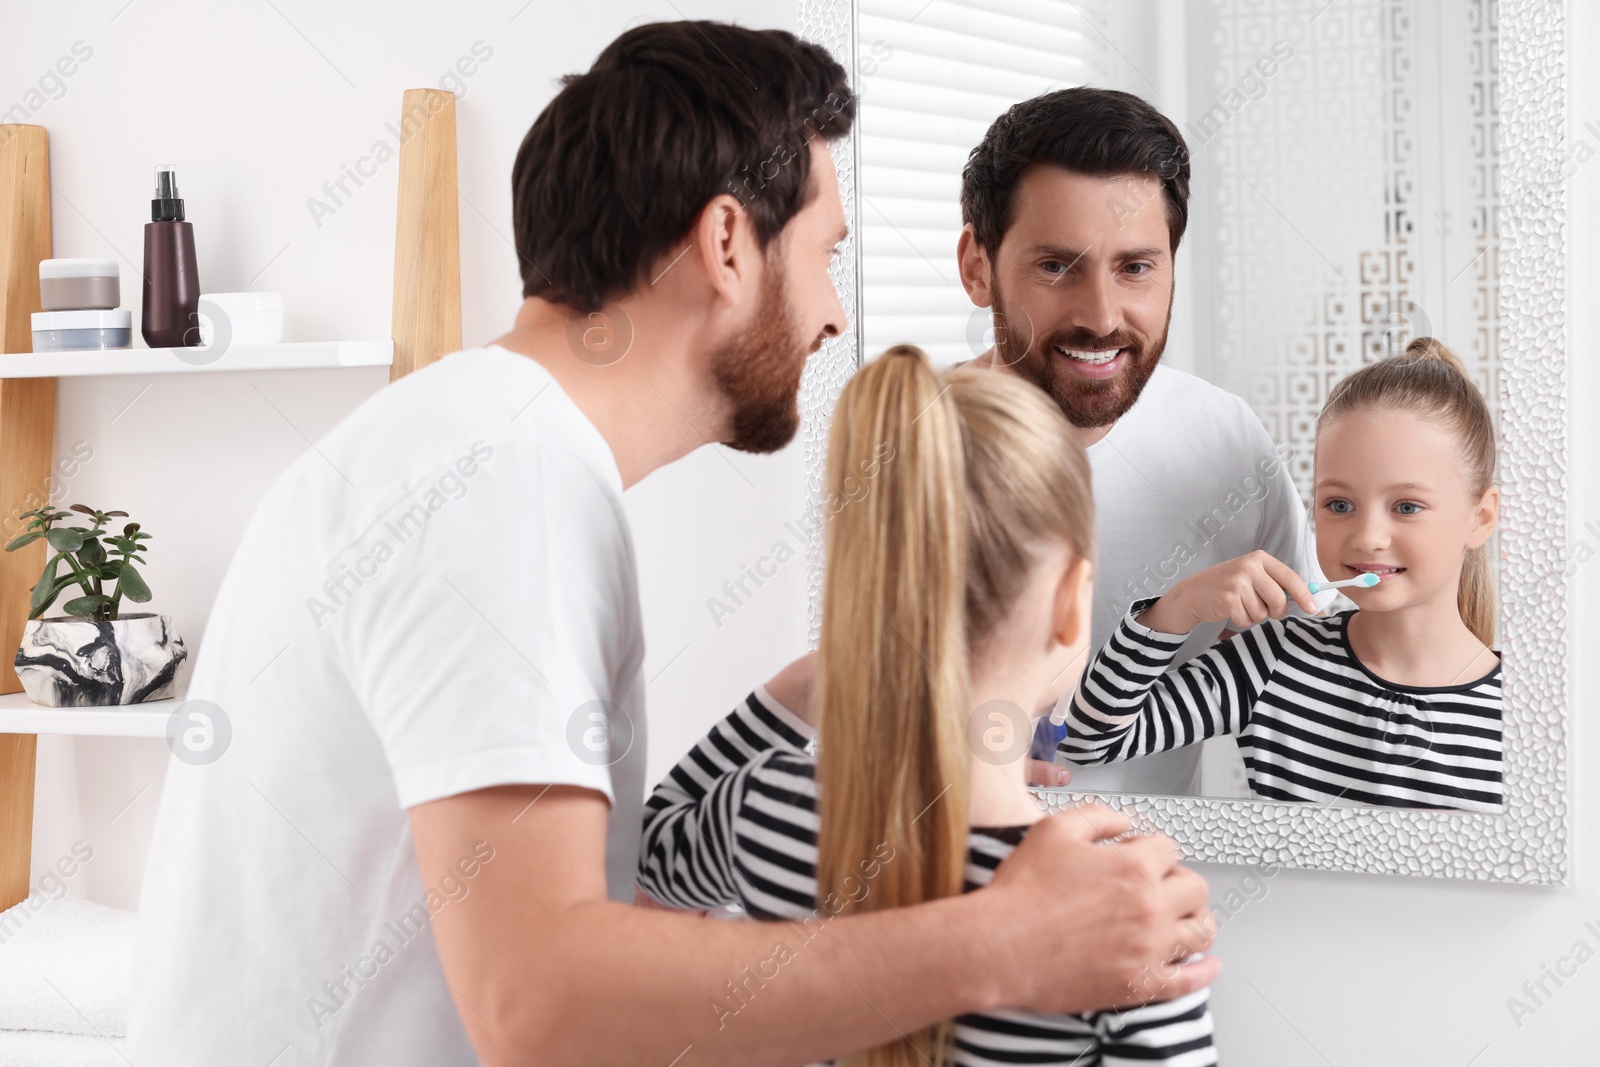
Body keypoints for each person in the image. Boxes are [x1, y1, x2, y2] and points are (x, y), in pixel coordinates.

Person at [127, 23, 1217, 1067]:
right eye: (826, 253)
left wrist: (894, 649)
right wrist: (1000, 942)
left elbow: (610, 895)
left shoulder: (494, 450)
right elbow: (541, 1001)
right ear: (730, 242)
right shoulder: (501, 481)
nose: (835, 314)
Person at [638, 346, 1218, 1065]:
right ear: (1072, 604)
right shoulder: (1121, 911)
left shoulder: (776, 810)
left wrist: (818, 678)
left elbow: (648, 849)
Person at [955, 87, 1325, 796]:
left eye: (1135, 267)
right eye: (1058, 266)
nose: (1100, 316)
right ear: (978, 265)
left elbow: (1303, 685)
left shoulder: (1226, 443)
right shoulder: (892, 453)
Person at [1060, 338, 1503, 812]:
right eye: (1339, 505)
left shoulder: (1528, 715)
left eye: (1407, 506)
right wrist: (1177, 607)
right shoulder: (1272, 662)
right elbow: (1089, 741)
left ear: (1479, 518)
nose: (1369, 536)